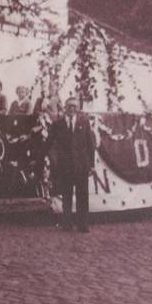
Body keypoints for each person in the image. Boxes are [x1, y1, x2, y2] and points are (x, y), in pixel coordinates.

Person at [48, 97, 95, 233]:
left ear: (77, 108)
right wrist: (55, 160)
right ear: (65, 108)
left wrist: (91, 165)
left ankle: (83, 225)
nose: (72, 109)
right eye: (69, 106)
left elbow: (90, 144)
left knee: (82, 196)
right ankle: (67, 224)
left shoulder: (84, 122)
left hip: (81, 165)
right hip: (65, 166)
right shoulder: (58, 124)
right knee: (66, 196)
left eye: (74, 106)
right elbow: (51, 144)